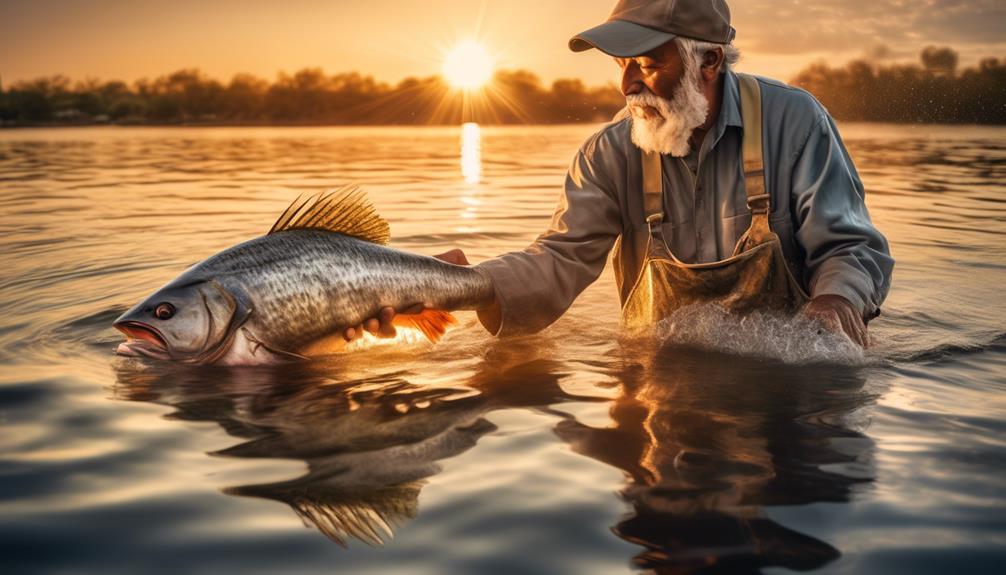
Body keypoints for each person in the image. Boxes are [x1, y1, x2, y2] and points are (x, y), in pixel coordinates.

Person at [346, 0, 893, 348]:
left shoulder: (794, 121)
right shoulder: (608, 152)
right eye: (620, 65)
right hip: (658, 387)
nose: (628, 86)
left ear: (710, 62)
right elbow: (557, 260)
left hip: (787, 401)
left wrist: (837, 303)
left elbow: (850, 248)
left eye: (648, 64)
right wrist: (468, 288)